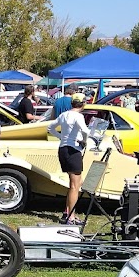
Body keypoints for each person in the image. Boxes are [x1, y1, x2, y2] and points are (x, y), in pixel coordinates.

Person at [47, 92, 90, 225]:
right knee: (74, 186)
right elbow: (86, 131)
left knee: (76, 183)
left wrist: (61, 137)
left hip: (63, 149)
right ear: (82, 104)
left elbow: (50, 128)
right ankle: (70, 217)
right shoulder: (78, 116)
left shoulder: (64, 114)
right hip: (73, 150)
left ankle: (68, 212)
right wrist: (84, 141)